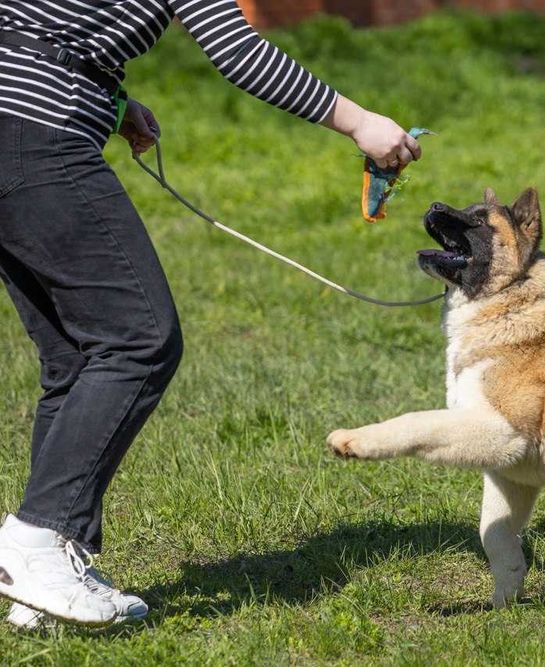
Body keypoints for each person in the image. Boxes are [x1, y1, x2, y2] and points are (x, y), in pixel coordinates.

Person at [0, 0, 421, 629]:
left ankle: (55, 568)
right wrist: (360, 122)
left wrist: (108, 100)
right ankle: (36, 541)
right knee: (137, 341)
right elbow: (237, 49)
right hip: (38, 135)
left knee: (77, 355)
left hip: (17, 119)